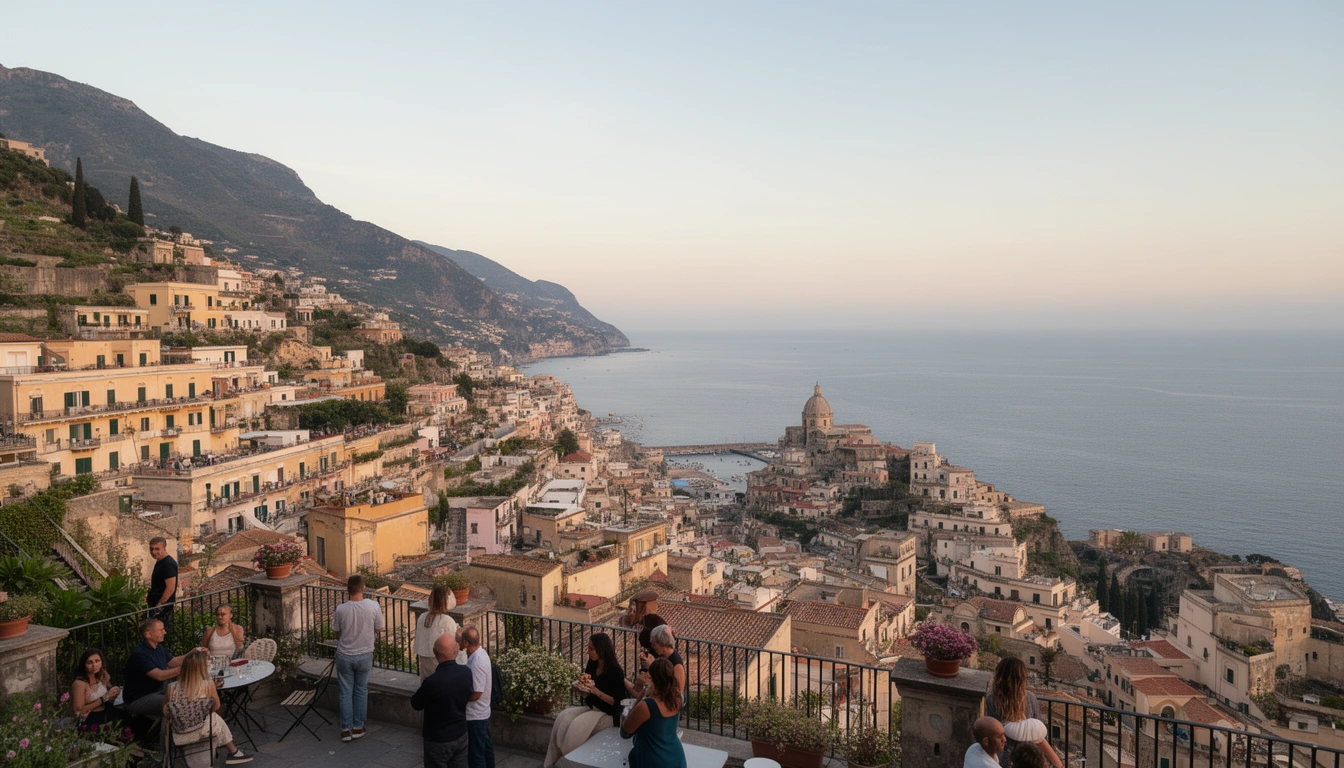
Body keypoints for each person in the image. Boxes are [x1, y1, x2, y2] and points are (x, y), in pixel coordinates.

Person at [544, 633, 626, 766]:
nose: (588, 651)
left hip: (608, 713)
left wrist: (596, 692)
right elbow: (588, 687)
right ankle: (551, 760)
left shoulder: (615, 671)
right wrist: (582, 690)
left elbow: (617, 703)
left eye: (591, 648)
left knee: (576, 726)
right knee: (563, 718)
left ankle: (568, 760)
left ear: (602, 650)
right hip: (592, 707)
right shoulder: (593, 663)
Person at [163, 649, 252, 764]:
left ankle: (233, 752)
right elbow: (216, 707)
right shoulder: (208, 685)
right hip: (200, 730)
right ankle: (233, 752)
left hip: (178, 732)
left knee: (213, 718)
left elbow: (165, 711)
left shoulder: (171, 688)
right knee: (214, 717)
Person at [332, 574, 384, 743]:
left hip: (345, 654)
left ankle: (345, 729)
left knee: (345, 692)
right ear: (363, 588)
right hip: (364, 654)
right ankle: (358, 726)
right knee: (361, 690)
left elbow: (337, 631)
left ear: (348, 589)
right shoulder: (373, 605)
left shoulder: (341, 609)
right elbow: (380, 627)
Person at [411, 633, 474, 768]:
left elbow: (416, 703)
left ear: (434, 652)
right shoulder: (466, 673)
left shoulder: (432, 682)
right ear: (456, 650)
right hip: (460, 734)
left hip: (437, 738)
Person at [984, 657, 1059, 767]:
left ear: (1000, 676)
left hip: (1005, 758)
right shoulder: (1031, 698)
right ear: (1022, 678)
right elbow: (1037, 735)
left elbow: (994, 734)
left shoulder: (992, 700)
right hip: (1029, 758)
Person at [620, 658, 686, 768]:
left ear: (652, 678)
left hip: (652, 760)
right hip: (676, 758)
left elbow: (625, 732)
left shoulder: (646, 706)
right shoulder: (677, 698)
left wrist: (640, 696)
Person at [123, 618, 188, 720]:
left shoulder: (158, 647)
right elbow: (159, 676)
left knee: (190, 693)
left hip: (159, 690)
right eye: (160, 630)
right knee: (177, 704)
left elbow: (173, 661)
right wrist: (187, 667)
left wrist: (193, 655)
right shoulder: (139, 654)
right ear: (148, 634)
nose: (165, 632)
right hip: (140, 698)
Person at [461, 626, 495, 768]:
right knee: (485, 747)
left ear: (467, 643)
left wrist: (460, 698)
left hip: (475, 715)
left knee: (476, 754)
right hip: (481, 713)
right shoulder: (480, 655)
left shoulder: (477, 662)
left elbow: (476, 693)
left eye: (462, 640)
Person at [70, 648, 122, 731]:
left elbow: (110, 689)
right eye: (89, 663)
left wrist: (114, 692)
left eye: (97, 661)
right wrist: (103, 698)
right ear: (84, 664)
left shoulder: (101, 675)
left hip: (107, 710)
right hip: (91, 718)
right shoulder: (80, 683)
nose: (94, 665)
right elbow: (78, 713)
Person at [415, 586, 460, 680]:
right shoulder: (447, 620)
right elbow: (453, 644)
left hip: (423, 658)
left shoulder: (422, 617)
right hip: (439, 660)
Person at [632, 625, 685, 702]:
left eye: (654, 644)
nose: (653, 647)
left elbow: (678, 691)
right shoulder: (663, 656)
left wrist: (652, 667)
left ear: (661, 643)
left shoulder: (676, 663)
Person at [148, 537, 179, 637]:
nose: (153, 552)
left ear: (164, 548)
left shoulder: (168, 564)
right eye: (151, 549)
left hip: (163, 608)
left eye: (157, 549)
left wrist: (160, 604)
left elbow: (170, 587)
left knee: (161, 635)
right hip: (157, 605)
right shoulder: (160, 562)